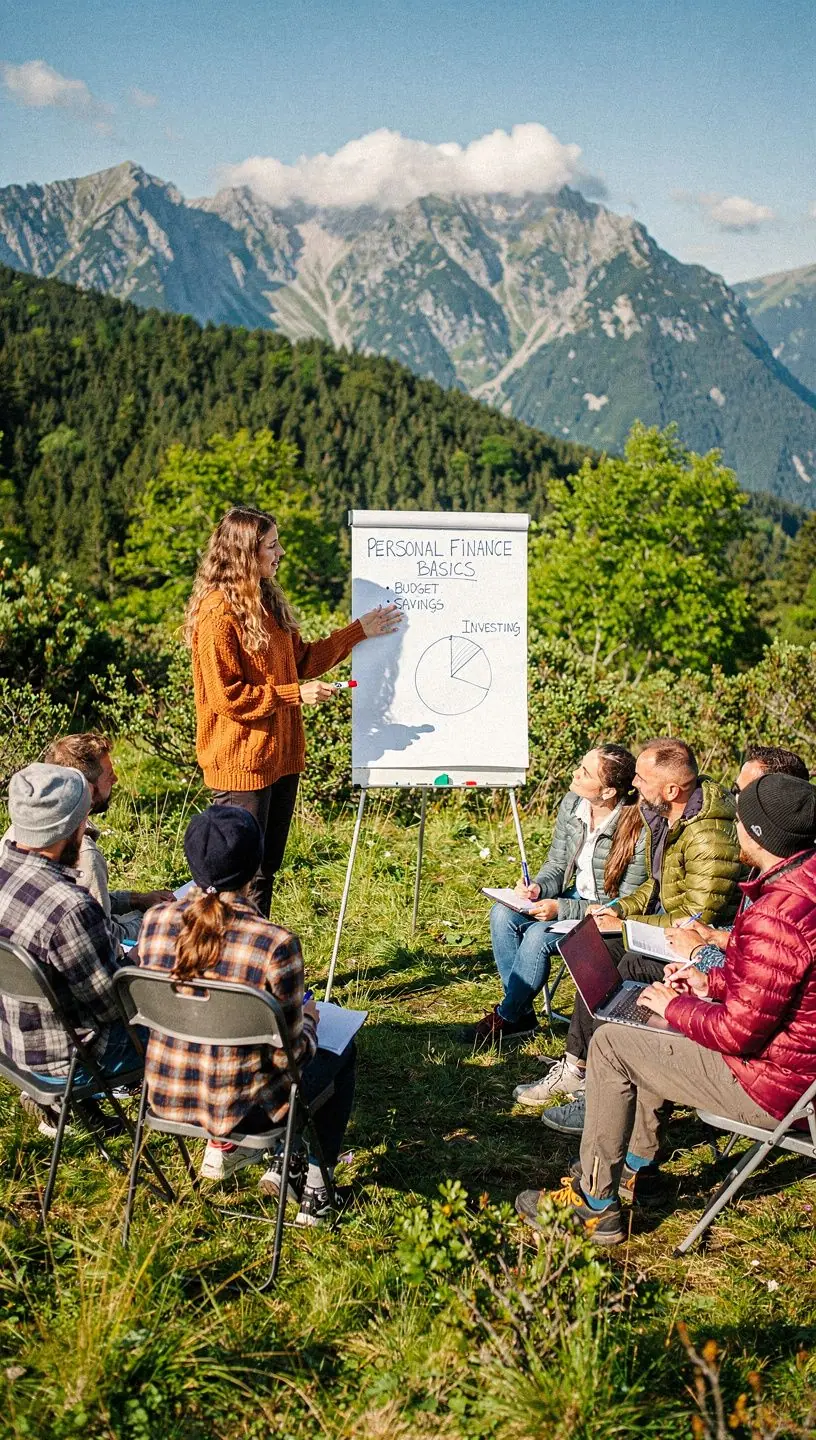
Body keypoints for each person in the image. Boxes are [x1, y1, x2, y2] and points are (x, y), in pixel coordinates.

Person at [515, 773, 816, 1245]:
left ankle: (595, 1205)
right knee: (646, 1019)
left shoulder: (778, 915)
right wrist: (706, 980)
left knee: (615, 1041)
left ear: (759, 834)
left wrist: (678, 1007)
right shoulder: (800, 886)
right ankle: (636, 1166)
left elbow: (739, 1033)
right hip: (788, 1066)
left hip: (775, 1086)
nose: (731, 825)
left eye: (740, 819)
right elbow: (768, 985)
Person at [136, 804, 356, 1226]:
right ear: (256, 866)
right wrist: (310, 1019)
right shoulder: (275, 943)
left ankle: (290, 1167)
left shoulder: (155, 920)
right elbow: (292, 1056)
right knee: (341, 1051)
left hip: (165, 1094)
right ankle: (316, 1189)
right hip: (247, 1109)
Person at [186, 506, 402, 917]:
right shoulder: (218, 614)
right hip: (241, 765)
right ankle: (224, 963)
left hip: (279, 760)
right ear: (246, 553)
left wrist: (359, 631)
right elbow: (226, 697)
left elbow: (301, 662)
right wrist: (294, 695)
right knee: (236, 876)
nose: (280, 552)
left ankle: (257, 960)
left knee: (265, 869)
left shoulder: (266, 601)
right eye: (272, 545)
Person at [522, 738, 741, 1131]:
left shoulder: (705, 836)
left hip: (701, 942)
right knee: (597, 942)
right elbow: (653, 888)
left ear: (671, 790)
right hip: (668, 926)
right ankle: (579, 1066)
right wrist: (619, 910)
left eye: (641, 777)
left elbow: (697, 916)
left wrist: (624, 927)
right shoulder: (668, 816)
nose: (634, 784)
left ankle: (599, 1082)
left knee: (615, 957)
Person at [471, 745, 647, 1045]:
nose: (576, 773)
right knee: (502, 914)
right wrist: (538, 887)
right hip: (570, 898)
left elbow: (624, 904)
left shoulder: (636, 828)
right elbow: (556, 863)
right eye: (581, 765)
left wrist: (561, 909)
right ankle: (521, 1012)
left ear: (607, 792)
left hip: (604, 917)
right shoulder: (572, 804)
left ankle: (509, 1015)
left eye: (586, 772)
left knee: (539, 936)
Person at [0, 763, 139, 1132]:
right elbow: (115, 1006)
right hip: (69, 1060)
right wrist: (144, 964)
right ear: (69, 828)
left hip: (13, 1047)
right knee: (181, 1022)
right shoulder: (70, 908)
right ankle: (224, 1136)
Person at [5, 732, 173, 945]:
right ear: (87, 789)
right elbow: (106, 938)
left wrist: (136, 900)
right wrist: (155, 919)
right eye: (109, 775)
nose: (116, 779)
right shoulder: (85, 855)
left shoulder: (20, 832)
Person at [664, 744, 810, 975]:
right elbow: (756, 942)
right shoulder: (773, 864)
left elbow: (753, 982)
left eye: (746, 794)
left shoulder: (786, 897)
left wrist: (698, 952)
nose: (737, 804)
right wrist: (715, 935)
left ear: (776, 802)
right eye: (736, 791)